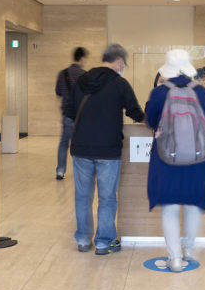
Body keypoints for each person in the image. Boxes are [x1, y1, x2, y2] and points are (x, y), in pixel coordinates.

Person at [64, 44, 145, 255]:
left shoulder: (81, 81)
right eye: (123, 64)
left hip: (81, 147)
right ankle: (103, 243)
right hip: (108, 149)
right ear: (118, 61)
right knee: (107, 197)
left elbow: (68, 109)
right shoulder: (119, 83)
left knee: (82, 196)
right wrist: (150, 120)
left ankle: (83, 240)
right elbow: (135, 111)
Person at [144, 50, 205, 272]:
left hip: (166, 157)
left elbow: (151, 121)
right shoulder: (201, 92)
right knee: (193, 203)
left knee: (170, 207)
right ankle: (190, 251)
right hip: (197, 158)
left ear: (167, 69)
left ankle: (174, 259)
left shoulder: (159, 92)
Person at [54, 47, 89, 180]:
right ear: (82, 58)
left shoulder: (62, 74)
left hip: (67, 114)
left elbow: (58, 92)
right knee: (80, 144)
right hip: (81, 116)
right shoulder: (84, 75)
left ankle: (60, 170)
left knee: (64, 143)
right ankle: (81, 172)